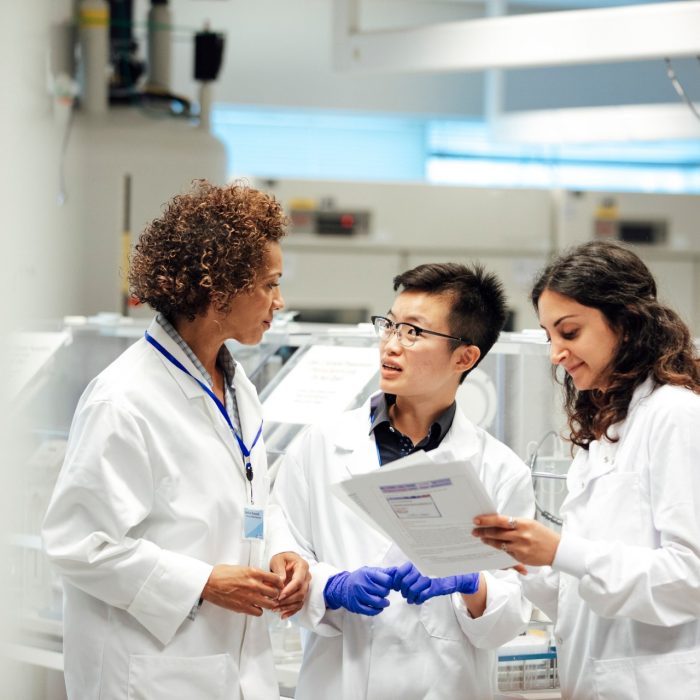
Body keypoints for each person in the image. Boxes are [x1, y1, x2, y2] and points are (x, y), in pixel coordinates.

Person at [42, 180, 310, 700]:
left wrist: (282, 551)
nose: (280, 301)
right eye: (270, 284)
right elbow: (77, 544)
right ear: (219, 288)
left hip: (229, 662)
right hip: (148, 669)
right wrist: (203, 582)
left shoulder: (237, 386)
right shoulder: (124, 399)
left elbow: (251, 498)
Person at [271, 262, 536, 699]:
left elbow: (511, 615)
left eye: (413, 332)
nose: (391, 345)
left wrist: (471, 582)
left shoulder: (500, 471)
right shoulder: (319, 446)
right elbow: (281, 558)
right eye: (389, 326)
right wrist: (330, 587)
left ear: (465, 357)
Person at [474, 241, 700, 700]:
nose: (556, 353)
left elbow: (690, 577)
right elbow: (577, 598)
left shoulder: (675, 415)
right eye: (549, 336)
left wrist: (561, 551)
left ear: (627, 322)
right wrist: (520, 559)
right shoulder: (606, 429)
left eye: (570, 332)